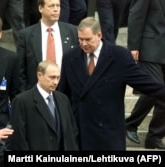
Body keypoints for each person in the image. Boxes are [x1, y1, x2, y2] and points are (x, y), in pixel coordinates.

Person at [57, 17, 165, 150]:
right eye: (80, 39)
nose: (84, 43)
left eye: (88, 39)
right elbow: (62, 94)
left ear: (99, 35)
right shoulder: (70, 57)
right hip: (79, 130)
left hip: (108, 132)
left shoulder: (119, 56)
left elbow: (146, 84)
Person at [9, 61, 78, 150]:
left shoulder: (63, 99)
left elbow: (72, 131)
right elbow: (18, 138)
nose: (56, 82)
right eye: (52, 77)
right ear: (39, 75)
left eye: (58, 78)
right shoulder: (22, 101)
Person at [125, 0, 165, 149]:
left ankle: (154, 137)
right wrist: (133, 45)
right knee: (156, 87)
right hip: (150, 47)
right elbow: (136, 14)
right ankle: (130, 123)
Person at [18, 0, 79, 92]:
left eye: (58, 6)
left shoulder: (72, 31)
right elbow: (20, 70)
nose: (56, 10)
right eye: (51, 6)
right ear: (40, 8)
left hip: (65, 93)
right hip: (35, 93)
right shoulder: (26, 35)